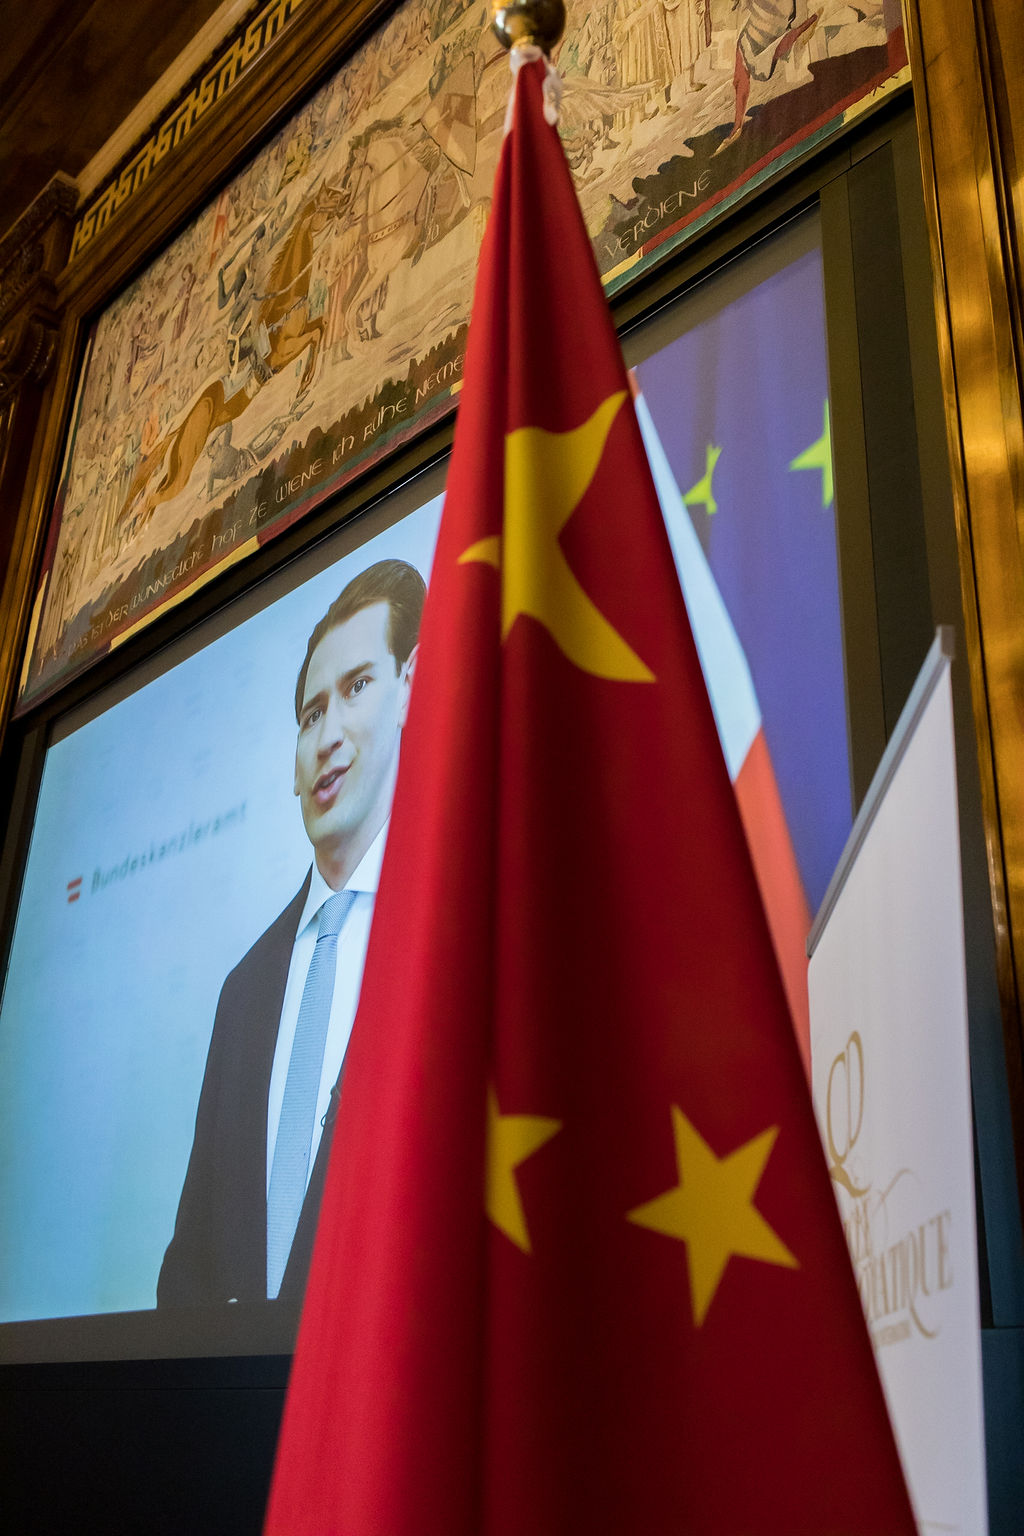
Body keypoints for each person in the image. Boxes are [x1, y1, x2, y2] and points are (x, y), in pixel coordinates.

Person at [157, 559, 425, 1307]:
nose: (328, 735)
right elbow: (190, 1264)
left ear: (412, 687)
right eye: (311, 715)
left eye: (357, 687)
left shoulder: (453, 933)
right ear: (293, 769)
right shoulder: (243, 992)